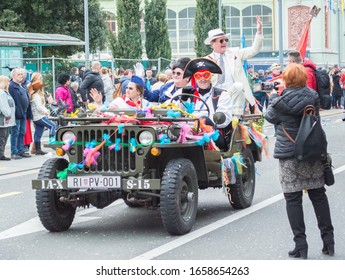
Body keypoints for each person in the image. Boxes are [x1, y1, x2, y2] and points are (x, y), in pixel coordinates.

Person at [265, 63, 334, 259]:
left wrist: (274, 96)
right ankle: (328, 242)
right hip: (312, 151)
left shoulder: (279, 101)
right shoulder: (313, 96)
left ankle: (300, 245)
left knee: (293, 199)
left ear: (286, 79)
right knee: (318, 196)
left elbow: (269, 118)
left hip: (290, 155)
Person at [205, 16, 263, 117]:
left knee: (238, 86)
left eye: (226, 40)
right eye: (221, 41)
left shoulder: (235, 53)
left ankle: (236, 118)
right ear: (212, 43)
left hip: (234, 93)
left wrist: (259, 32)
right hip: (215, 95)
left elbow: (254, 50)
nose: (225, 43)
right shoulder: (207, 60)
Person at [181, 58, 233, 149]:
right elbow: (180, 114)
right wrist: (183, 99)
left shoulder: (222, 95)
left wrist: (205, 121)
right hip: (189, 133)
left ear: (211, 76)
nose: (202, 79)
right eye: (198, 76)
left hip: (214, 136)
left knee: (205, 119)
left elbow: (225, 120)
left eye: (206, 75)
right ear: (195, 78)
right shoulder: (189, 94)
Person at [9, 68, 31, 159]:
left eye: (21, 74)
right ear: (13, 76)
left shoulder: (21, 85)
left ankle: (21, 150)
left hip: (23, 112)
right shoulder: (12, 86)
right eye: (19, 74)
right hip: (17, 113)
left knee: (22, 132)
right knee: (15, 132)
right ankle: (14, 152)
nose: (21, 76)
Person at [29, 81, 56, 155]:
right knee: (53, 126)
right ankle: (52, 141)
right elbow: (39, 107)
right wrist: (46, 111)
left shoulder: (34, 95)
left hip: (36, 117)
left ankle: (38, 149)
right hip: (39, 116)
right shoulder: (37, 96)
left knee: (38, 133)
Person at [0, 75, 15, 161]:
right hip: (3, 119)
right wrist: (8, 114)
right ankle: (1, 154)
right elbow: (3, 106)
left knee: (4, 137)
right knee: (2, 137)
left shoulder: (5, 92)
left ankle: (1, 153)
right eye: (8, 82)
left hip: (6, 119)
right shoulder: (1, 93)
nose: (9, 83)